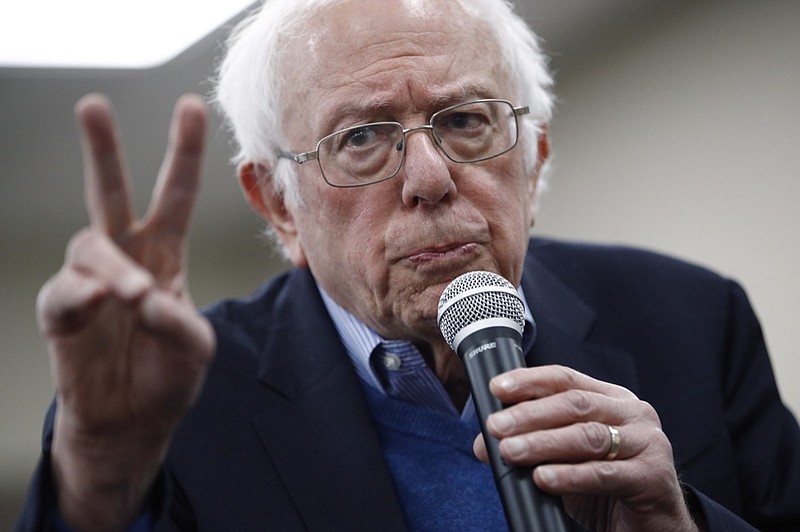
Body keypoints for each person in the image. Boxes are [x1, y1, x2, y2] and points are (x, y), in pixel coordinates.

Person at [16, 0, 800, 530]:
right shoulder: (170, 399)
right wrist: (101, 471)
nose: (429, 178)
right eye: (361, 139)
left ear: (535, 161)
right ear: (278, 205)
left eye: (463, 121)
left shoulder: (695, 320)